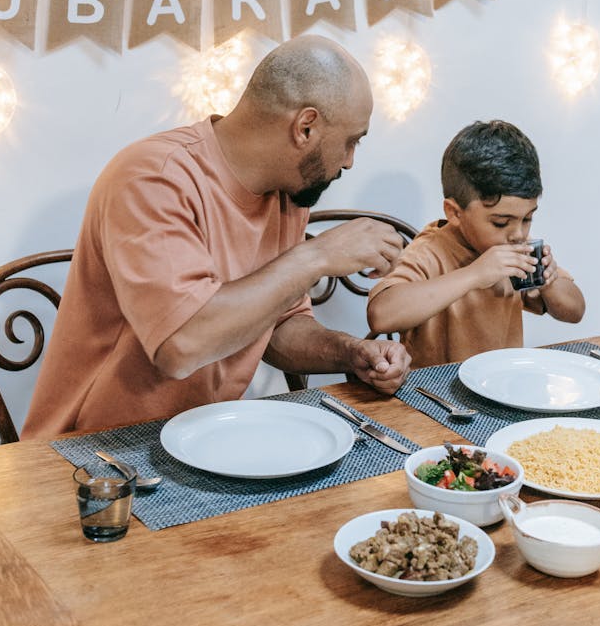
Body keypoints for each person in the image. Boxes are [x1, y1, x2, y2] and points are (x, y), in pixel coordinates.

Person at [21, 35, 411, 439]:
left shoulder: (290, 191)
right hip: (89, 454)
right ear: (305, 127)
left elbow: (276, 325)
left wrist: (350, 353)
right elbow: (181, 346)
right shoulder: (153, 178)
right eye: (351, 141)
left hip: (202, 439)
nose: (349, 161)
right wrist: (316, 256)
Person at [366, 119, 585, 368]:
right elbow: (381, 316)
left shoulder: (515, 251)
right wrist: (476, 274)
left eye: (527, 218)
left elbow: (575, 311)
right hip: (436, 394)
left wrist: (550, 283)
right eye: (501, 222)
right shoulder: (429, 251)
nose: (518, 234)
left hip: (502, 386)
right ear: (455, 213)